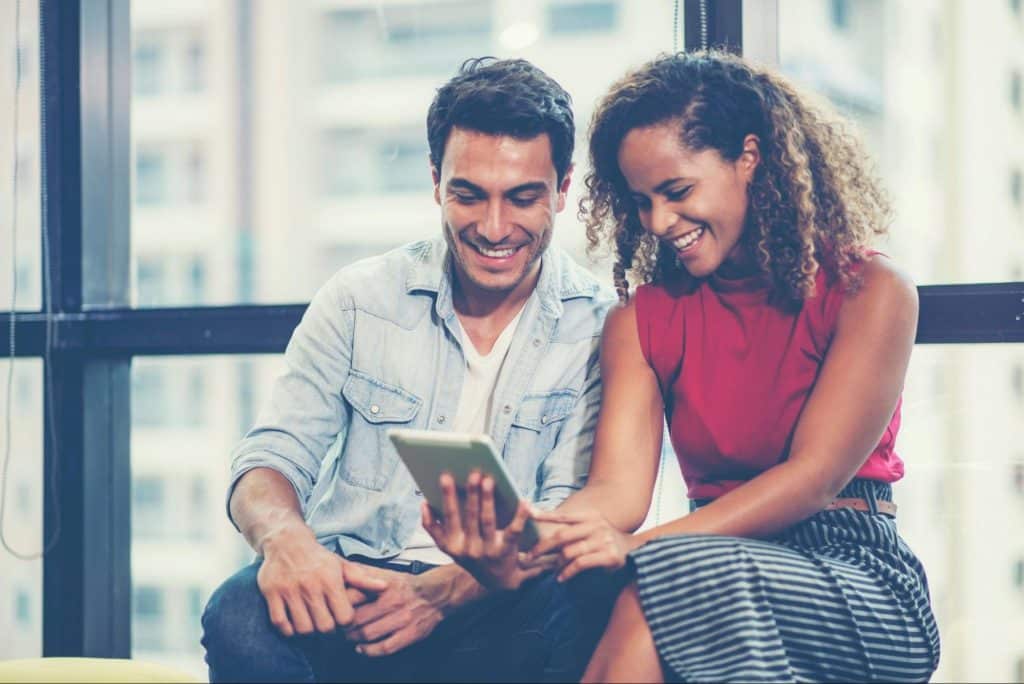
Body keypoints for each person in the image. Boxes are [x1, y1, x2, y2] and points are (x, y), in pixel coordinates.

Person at [426, 51, 941, 683]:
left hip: (858, 580)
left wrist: (643, 551)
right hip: (706, 569)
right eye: (642, 201)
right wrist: (530, 529)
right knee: (597, 592)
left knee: (663, 579)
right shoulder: (640, 322)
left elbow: (813, 479)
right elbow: (616, 494)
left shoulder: (873, 290)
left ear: (748, 158)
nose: (660, 222)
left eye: (677, 192)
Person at [200, 57, 617, 683]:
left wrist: (442, 595)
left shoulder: (598, 328)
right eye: (468, 194)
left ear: (562, 189)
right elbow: (271, 456)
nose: (494, 227)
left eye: (523, 197)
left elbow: (565, 518)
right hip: (356, 585)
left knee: (573, 609)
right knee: (237, 613)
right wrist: (285, 540)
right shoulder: (359, 297)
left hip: (496, 599)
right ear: (435, 182)